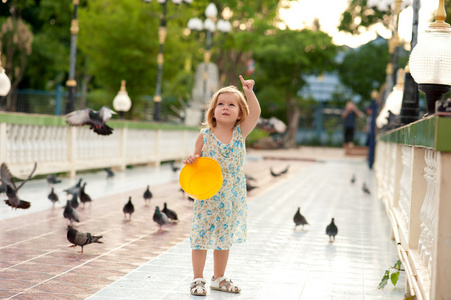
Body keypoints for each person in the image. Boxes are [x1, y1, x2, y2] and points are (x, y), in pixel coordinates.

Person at [183, 75, 261, 296]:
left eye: (231, 105)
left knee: (223, 238)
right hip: (207, 195)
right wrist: (191, 159)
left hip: (230, 196)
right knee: (200, 237)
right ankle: (198, 278)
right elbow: (195, 161)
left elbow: (256, 112)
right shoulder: (205, 135)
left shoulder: (240, 133)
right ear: (213, 110)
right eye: (221, 104)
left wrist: (248, 92)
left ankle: (218, 277)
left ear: (239, 112)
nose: (225, 108)